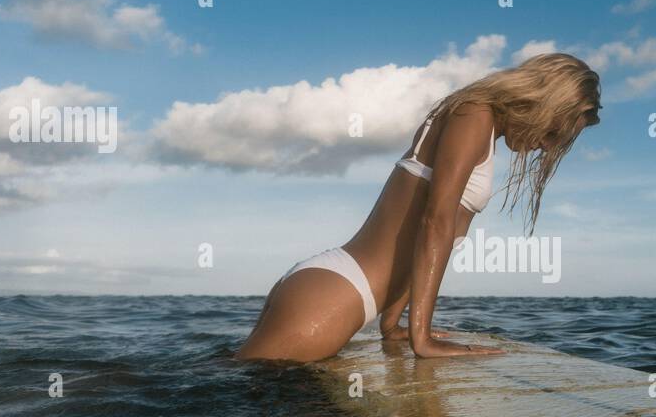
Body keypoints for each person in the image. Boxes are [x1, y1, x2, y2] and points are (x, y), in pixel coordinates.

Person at [236, 53, 601, 361]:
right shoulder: (474, 114)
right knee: (250, 411)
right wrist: (421, 340)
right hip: (332, 296)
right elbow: (435, 223)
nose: (546, 146)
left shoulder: (476, 119)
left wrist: (393, 325)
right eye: (553, 131)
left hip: (331, 289)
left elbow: (417, 240)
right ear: (542, 102)